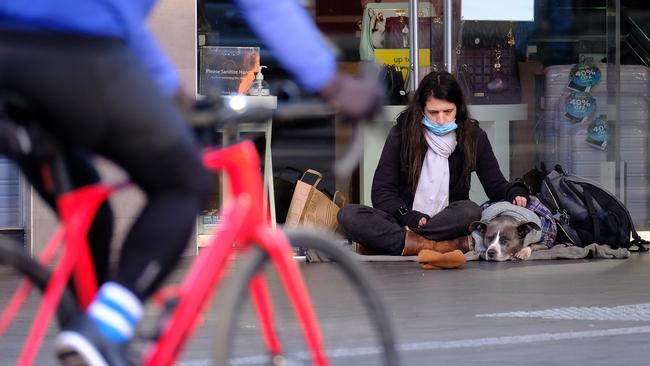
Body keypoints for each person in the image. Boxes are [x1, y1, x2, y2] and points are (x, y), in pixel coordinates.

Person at [0, 1, 382, 365]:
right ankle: (102, 329)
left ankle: (89, 342)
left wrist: (174, 96)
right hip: (72, 52)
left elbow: (120, 22)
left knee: (90, 209)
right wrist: (332, 82)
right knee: (185, 184)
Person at [338, 71, 529, 257]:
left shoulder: (474, 137)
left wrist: (515, 191)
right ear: (421, 109)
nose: (441, 120)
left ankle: (402, 244)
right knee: (348, 215)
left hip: (447, 222)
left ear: (459, 108)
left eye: (448, 111)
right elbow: (382, 192)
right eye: (433, 112)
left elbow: (495, 185)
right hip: (404, 221)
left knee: (471, 211)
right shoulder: (401, 134)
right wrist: (408, 215)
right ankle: (438, 246)